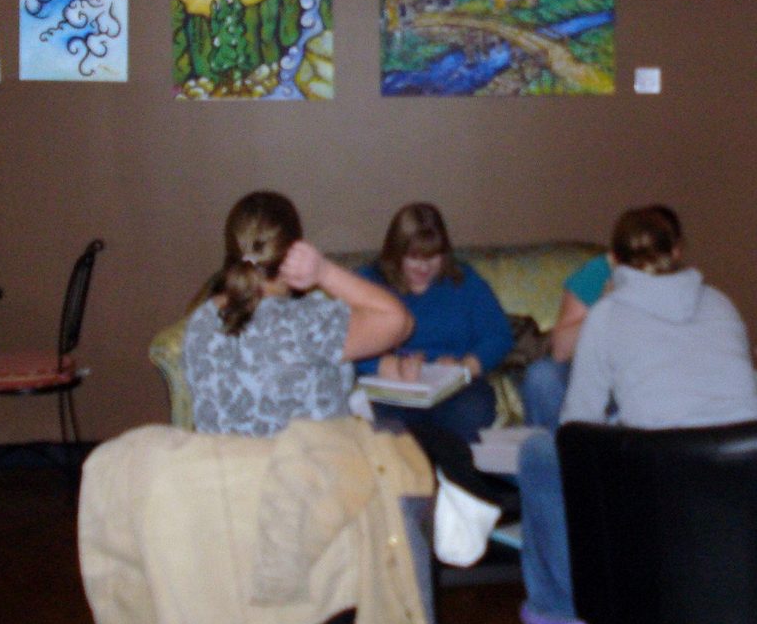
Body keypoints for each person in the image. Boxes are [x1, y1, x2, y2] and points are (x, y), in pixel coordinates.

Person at [517, 205, 757, 624]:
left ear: (614, 260)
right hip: (743, 470)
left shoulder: (607, 315)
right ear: (678, 251)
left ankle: (561, 605)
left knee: (538, 453)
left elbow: (577, 427)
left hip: (661, 476)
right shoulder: (720, 301)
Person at [183, 190, 413, 437]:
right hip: (311, 459)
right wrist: (323, 271)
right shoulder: (306, 322)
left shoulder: (200, 320)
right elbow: (401, 321)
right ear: (293, 249)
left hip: (226, 460)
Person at [357, 202, 514, 446]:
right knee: (388, 424)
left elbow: (499, 335)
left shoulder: (464, 280)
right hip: (393, 389)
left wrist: (465, 367)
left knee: (471, 410)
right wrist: (385, 365)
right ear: (396, 253)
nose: (424, 267)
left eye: (432, 256)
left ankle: (451, 465)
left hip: (453, 389)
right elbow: (340, 340)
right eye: (413, 257)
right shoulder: (369, 282)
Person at [519, 205, 683, 428]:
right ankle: (557, 447)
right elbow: (560, 351)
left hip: (648, 383)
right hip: (592, 378)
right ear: (616, 255)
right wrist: (605, 306)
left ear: (674, 254)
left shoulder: (684, 290)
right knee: (542, 376)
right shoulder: (598, 273)